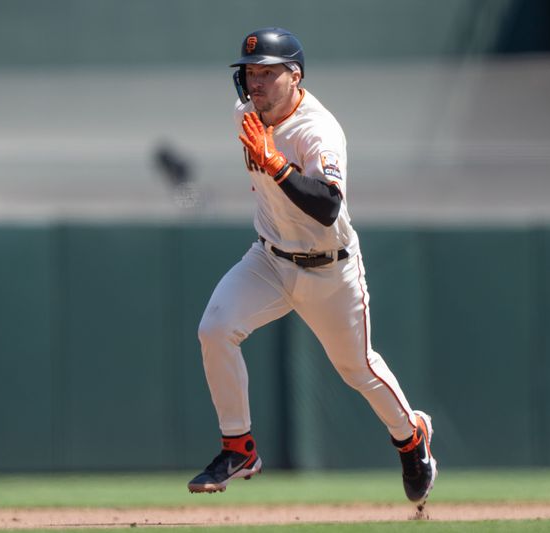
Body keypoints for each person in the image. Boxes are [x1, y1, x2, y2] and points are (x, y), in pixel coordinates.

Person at [186, 27, 437, 509]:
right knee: (215, 329)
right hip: (270, 259)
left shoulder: (318, 129)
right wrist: (274, 165)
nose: (254, 83)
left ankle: (411, 438)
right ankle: (238, 448)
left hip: (330, 270)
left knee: (358, 369)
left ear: (294, 76)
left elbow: (327, 206)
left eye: (266, 73)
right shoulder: (248, 113)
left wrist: (278, 166)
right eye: (250, 72)